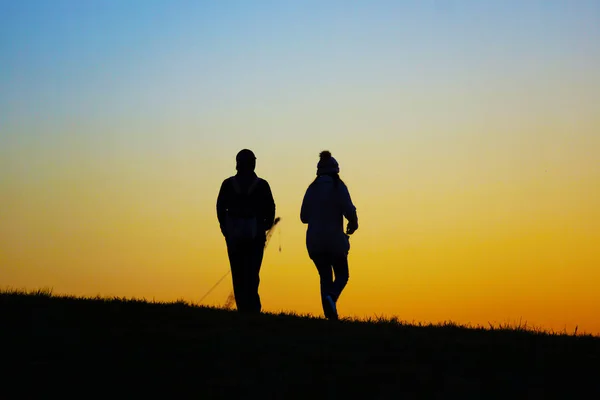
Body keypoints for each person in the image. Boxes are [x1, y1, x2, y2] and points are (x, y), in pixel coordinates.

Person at [300, 150, 358, 320]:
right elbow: (349, 210)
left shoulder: (311, 189)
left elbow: (303, 217)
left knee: (325, 276)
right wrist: (353, 223)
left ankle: (329, 316)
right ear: (336, 171)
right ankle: (332, 298)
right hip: (334, 241)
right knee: (342, 275)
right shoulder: (338, 187)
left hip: (314, 242)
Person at [216, 149, 276, 314]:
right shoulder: (262, 185)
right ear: (253, 163)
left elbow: (220, 208)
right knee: (252, 272)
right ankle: (253, 309)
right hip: (255, 236)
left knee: (238, 272)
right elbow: (271, 208)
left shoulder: (227, 185)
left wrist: (225, 228)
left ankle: (243, 307)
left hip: (233, 236)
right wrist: (264, 227)